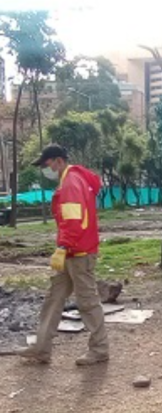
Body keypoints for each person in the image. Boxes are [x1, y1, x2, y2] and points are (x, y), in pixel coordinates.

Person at [17, 144, 109, 366]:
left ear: (58, 161)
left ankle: (100, 349)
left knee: (87, 301)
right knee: (54, 299)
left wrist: (63, 246)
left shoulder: (70, 183)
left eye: (46, 164)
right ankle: (41, 348)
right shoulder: (73, 180)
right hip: (72, 251)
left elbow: (73, 220)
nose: (45, 169)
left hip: (78, 252)